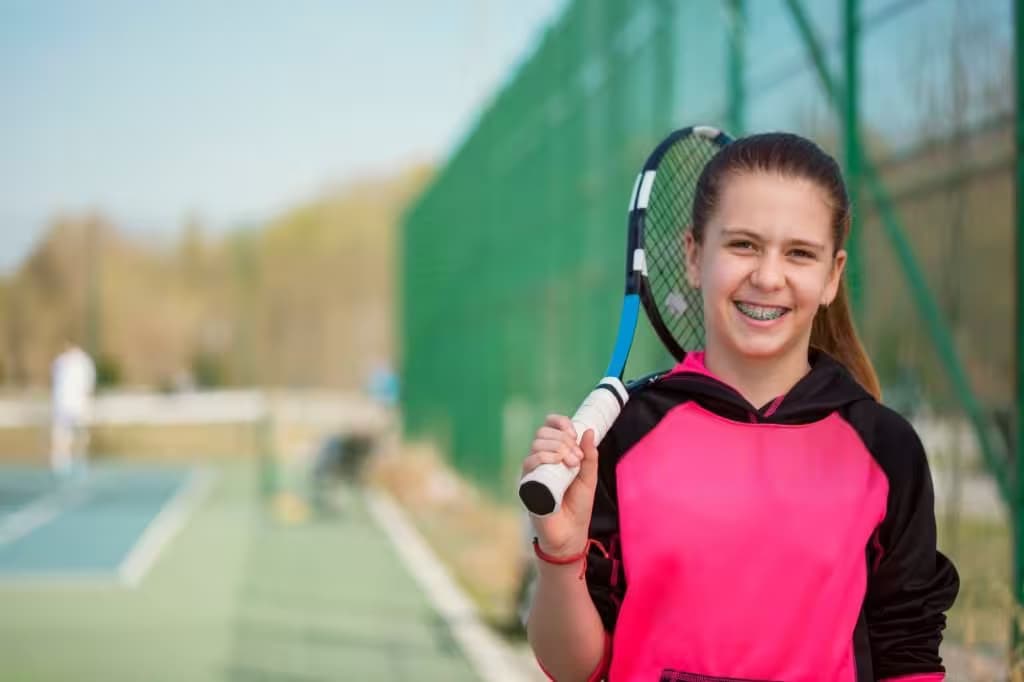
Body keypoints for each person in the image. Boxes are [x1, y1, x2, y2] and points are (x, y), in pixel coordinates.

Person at [521, 133, 958, 681]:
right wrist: (561, 556)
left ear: (832, 276)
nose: (768, 277)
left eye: (799, 253)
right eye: (744, 245)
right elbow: (574, 669)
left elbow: (909, 655)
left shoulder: (886, 450)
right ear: (693, 255)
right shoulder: (624, 435)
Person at [50, 341, 96, 479]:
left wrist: (87, 399)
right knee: (61, 434)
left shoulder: (84, 362)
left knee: (81, 433)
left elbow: (89, 382)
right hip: (62, 404)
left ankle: (81, 459)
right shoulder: (60, 361)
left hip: (79, 404)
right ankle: (61, 461)